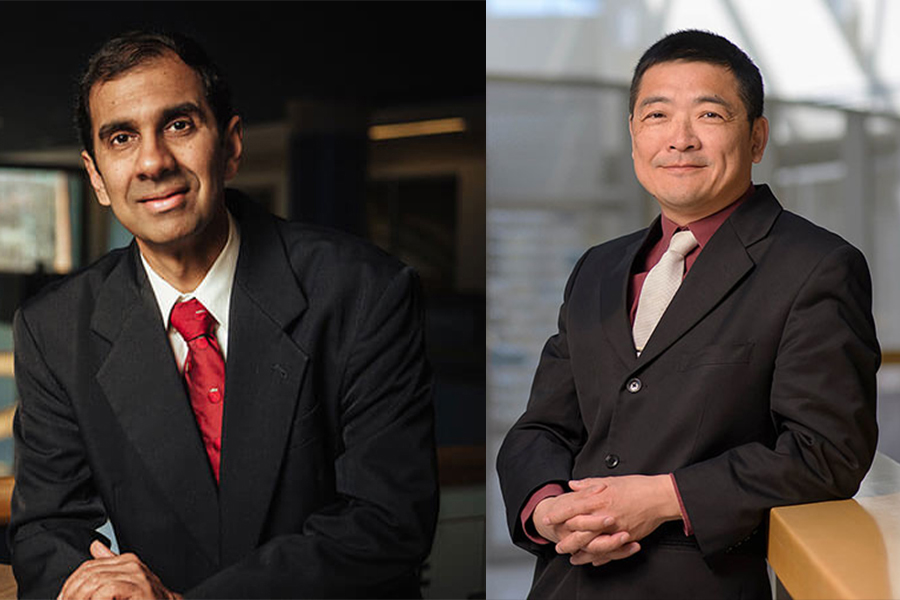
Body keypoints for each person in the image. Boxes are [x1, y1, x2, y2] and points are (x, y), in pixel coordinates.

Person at [9, 31, 438, 599]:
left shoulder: (362, 292)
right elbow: (46, 527)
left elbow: (387, 521)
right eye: (121, 138)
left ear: (232, 145)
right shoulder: (54, 328)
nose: (153, 161)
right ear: (96, 177)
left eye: (179, 125)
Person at [496, 29, 879, 599]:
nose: (679, 139)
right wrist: (547, 508)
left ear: (757, 137)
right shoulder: (597, 269)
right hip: (564, 582)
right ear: (633, 137)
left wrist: (661, 499)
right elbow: (543, 426)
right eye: (656, 116)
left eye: (709, 115)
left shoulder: (816, 266)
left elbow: (827, 452)